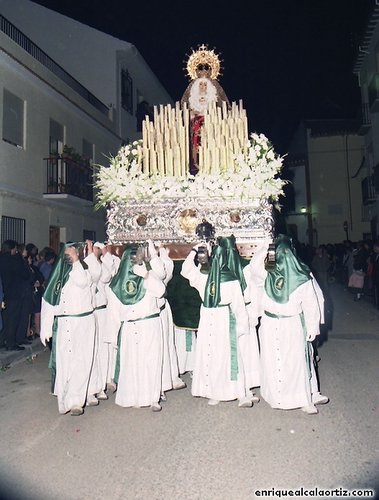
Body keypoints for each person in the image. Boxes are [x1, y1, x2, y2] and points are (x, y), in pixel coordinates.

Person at [248, 234, 328, 415]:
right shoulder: (266, 272)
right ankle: (276, 397)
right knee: (272, 360)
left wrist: (312, 327)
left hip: (292, 326)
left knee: (294, 364)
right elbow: (253, 268)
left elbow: (311, 304)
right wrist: (266, 246)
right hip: (269, 323)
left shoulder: (302, 278)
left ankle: (302, 398)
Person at [181, 235, 253, 407]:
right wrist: (194, 250)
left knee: (228, 356)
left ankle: (238, 392)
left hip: (224, 319)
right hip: (207, 317)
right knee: (210, 354)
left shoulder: (231, 279)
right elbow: (185, 271)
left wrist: (241, 327)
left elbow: (238, 307)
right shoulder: (203, 276)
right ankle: (214, 391)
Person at [106, 244, 166, 411]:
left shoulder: (148, 276)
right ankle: (132, 397)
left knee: (151, 360)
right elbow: (113, 313)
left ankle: (153, 397)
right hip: (129, 328)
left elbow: (161, 291)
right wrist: (113, 336)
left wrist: (146, 275)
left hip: (149, 324)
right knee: (131, 363)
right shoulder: (116, 285)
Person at [40, 243, 97, 416]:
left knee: (82, 360)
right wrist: (45, 328)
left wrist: (76, 262)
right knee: (66, 362)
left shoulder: (83, 269)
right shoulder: (57, 275)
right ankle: (65, 398)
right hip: (65, 324)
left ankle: (77, 401)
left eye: (72, 253)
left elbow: (82, 282)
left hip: (83, 322)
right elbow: (49, 301)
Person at [148, 240, 186, 400]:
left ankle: (170, 377)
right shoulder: (138, 270)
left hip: (162, 311)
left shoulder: (160, 267)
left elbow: (166, 271)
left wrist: (161, 252)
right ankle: (156, 386)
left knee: (167, 344)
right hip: (149, 315)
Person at [0, 240, 31, 351]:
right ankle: (11, 343)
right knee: (13, 319)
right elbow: (24, 274)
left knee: (5, 319)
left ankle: (2, 340)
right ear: (13, 249)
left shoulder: (2, 258)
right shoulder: (14, 260)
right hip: (14, 293)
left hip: (5, 292)